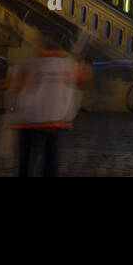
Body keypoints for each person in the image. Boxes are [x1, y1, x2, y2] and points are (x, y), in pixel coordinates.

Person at [7, 36, 92, 177]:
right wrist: (84, 59)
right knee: (51, 157)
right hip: (55, 119)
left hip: (29, 118)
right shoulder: (68, 63)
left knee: (27, 158)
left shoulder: (29, 62)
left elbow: (16, 87)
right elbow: (84, 78)